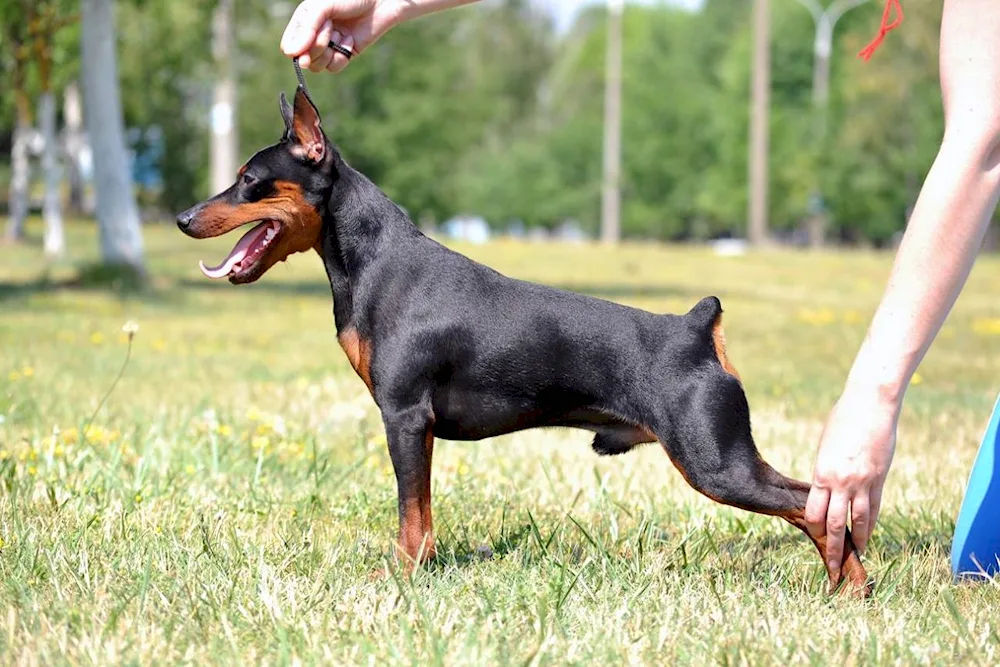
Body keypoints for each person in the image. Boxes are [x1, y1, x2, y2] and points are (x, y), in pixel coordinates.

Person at [281, 0, 1000, 575]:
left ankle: (821, 519)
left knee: (727, 477)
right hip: (647, 354)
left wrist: (874, 395)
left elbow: (982, 143)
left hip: (660, 359)